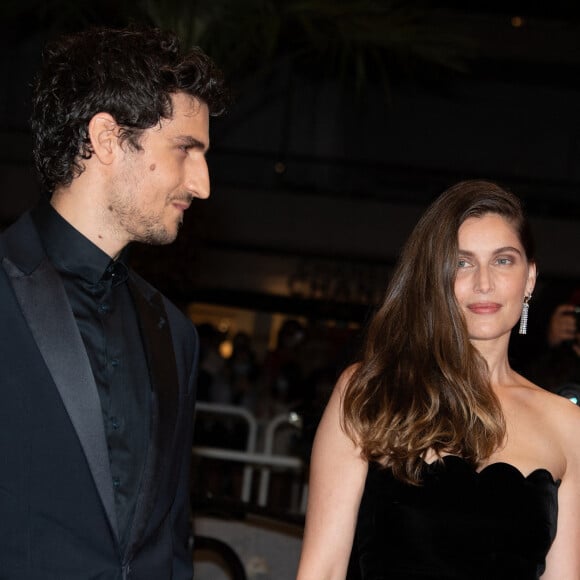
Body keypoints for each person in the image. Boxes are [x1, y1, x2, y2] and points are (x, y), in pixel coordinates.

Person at [0, 26, 227, 579]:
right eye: (185, 149)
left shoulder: (176, 334)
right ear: (107, 138)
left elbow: (173, 534)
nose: (202, 184)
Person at [296, 180, 580, 580]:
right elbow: (321, 571)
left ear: (529, 278)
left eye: (503, 260)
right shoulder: (371, 390)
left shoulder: (566, 424)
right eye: (462, 262)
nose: (484, 282)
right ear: (435, 277)